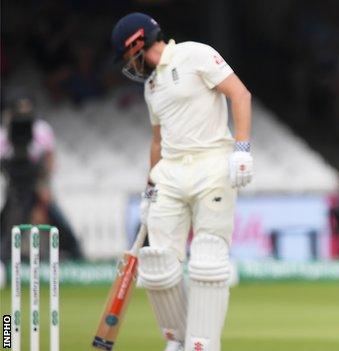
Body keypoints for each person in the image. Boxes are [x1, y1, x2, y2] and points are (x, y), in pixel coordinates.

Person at [111, 13, 253, 351]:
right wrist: (149, 188)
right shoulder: (151, 86)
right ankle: (177, 339)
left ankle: (202, 344)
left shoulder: (195, 54)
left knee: (207, 259)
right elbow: (158, 142)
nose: (128, 64)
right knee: (158, 261)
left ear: (138, 42)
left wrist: (242, 149)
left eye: (126, 54)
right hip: (170, 174)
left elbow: (240, 94)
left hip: (211, 165)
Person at [0, 92, 84, 263]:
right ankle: (4, 259)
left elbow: (49, 159)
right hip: (15, 186)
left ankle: (76, 254)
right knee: (10, 224)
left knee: (57, 218)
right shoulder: (3, 134)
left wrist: (43, 184)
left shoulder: (41, 128)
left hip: (38, 184)